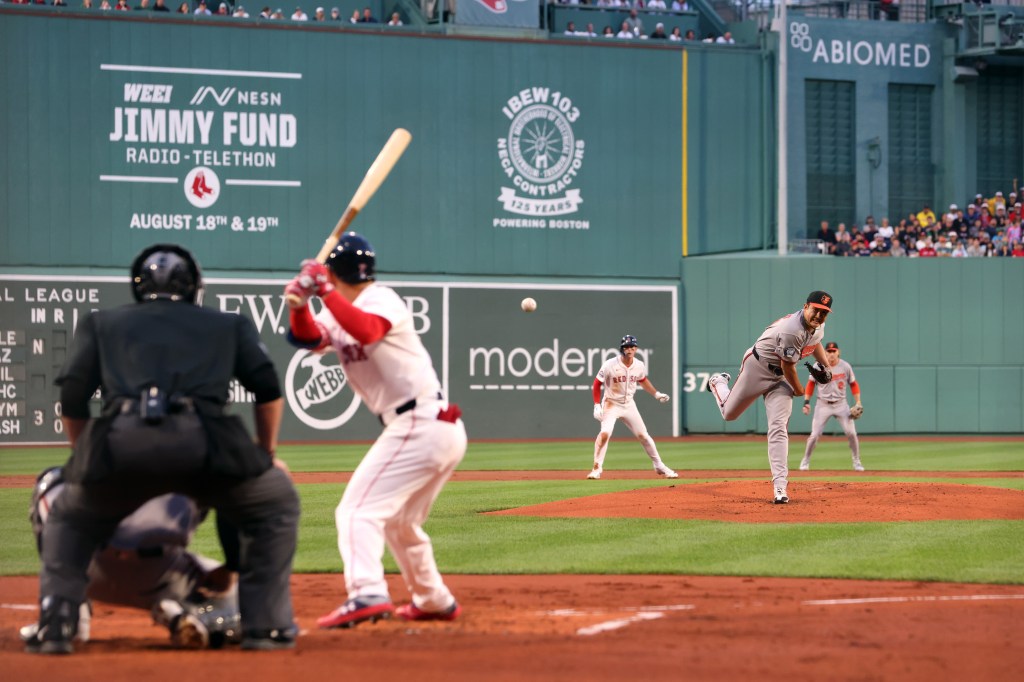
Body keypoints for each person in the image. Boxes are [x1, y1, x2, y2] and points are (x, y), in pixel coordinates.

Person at [25, 244, 300, 654]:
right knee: (274, 505)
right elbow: (268, 389)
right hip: (206, 444)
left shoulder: (102, 323)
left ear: (137, 287)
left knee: (69, 519)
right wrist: (266, 453)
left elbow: (73, 397)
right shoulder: (228, 323)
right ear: (194, 287)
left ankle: (58, 626)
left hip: (122, 442)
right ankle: (266, 627)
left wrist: (87, 455)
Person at [284, 232, 467, 627]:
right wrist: (299, 306)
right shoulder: (338, 308)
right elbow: (309, 339)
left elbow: (368, 331)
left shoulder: (380, 299)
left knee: (356, 511)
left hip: (421, 422)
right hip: (431, 426)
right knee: (401, 522)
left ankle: (367, 591)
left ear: (333, 272)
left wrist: (323, 290)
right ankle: (433, 599)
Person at [21, 467, 241, 650]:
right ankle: (188, 612)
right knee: (239, 603)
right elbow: (235, 497)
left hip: (87, 570)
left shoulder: (111, 437)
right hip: (163, 578)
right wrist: (231, 567)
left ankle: (66, 611)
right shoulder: (202, 451)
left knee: (51, 482)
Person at [707, 291, 834, 503]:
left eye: (824, 312)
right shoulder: (792, 330)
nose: (819, 316)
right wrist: (800, 390)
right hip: (757, 367)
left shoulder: (818, 326)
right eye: (816, 310)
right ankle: (717, 382)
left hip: (780, 377)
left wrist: (828, 367)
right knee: (729, 414)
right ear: (805, 307)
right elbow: (788, 366)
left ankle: (780, 487)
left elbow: (816, 343)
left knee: (778, 427)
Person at [586, 335, 676, 480]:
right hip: (611, 404)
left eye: (632, 347)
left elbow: (643, 380)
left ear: (636, 349)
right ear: (621, 349)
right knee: (605, 433)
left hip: (628, 404)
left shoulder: (639, 365)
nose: (629, 349)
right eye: (626, 347)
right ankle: (596, 468)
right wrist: (597, 404)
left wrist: (656, 394)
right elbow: (597, 383)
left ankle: (659, 465)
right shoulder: (610, 364)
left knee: (643, 435)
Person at [799, 341, 863, 472]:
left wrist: (858, 402)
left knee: (851, 433)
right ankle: (805, 461)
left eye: (834, 351)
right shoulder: (818, 366)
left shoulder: (845, 366)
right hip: (822, 405)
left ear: (838, 352)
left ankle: (857, 462)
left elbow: (854, 384)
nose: (831, 353)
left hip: (841, 404)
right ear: (825, 352)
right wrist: (806, 402)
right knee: (814, 435)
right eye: (828, 351)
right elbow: (811, 384)